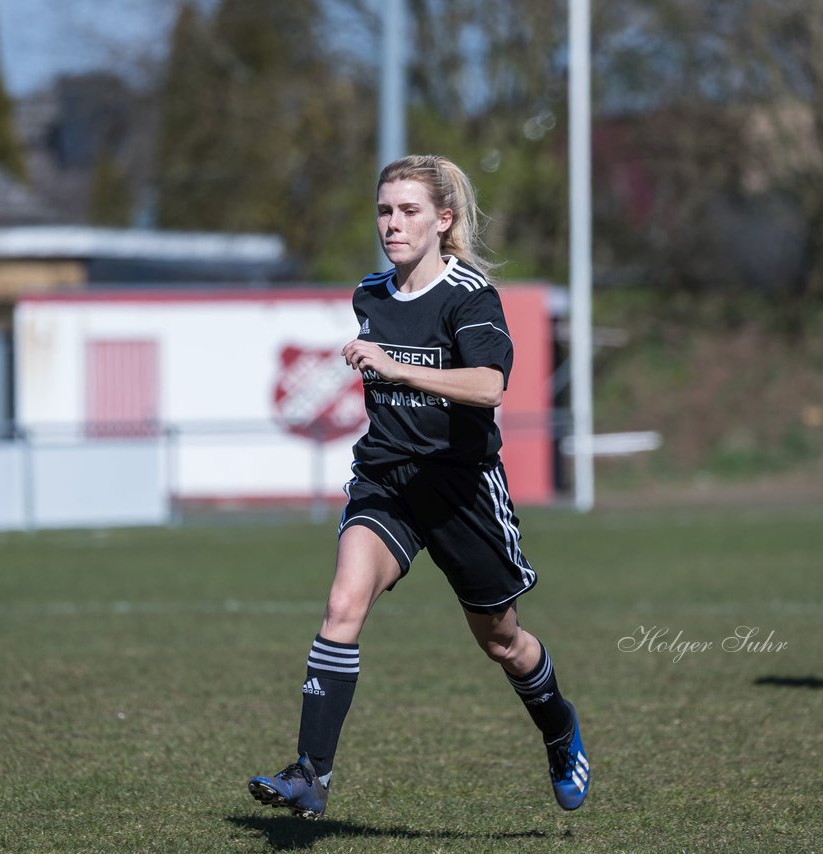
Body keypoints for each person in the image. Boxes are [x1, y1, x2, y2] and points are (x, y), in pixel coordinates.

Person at [247, 154, 589, 818]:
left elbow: (489, 386)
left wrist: (399, 368)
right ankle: (310, 774)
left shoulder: (469, 296)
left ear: (443, 219)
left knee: (502, 642)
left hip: (461, 494)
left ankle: (557, 727)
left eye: (408, 211)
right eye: (384, 210)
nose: (392, 223)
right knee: (343, 605)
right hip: (387, 483)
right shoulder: (370, 293)